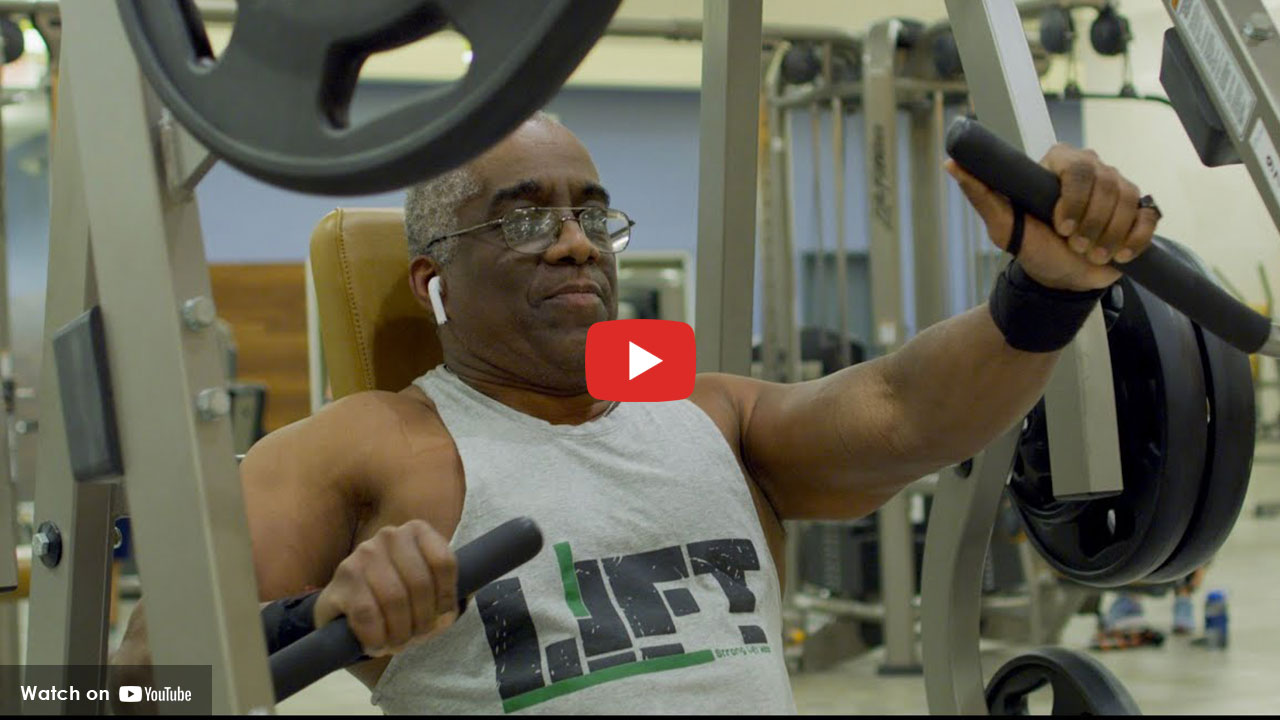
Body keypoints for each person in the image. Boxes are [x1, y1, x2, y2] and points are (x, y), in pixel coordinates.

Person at [110, 111, 1158, 713]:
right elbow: (133, 683)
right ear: (433, 279)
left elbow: (896, 412)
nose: (573, 242)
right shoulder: (365, 443)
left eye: (587, 213)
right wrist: (315, 619)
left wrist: (1046, 289)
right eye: (523, 218)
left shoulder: (701, 410)